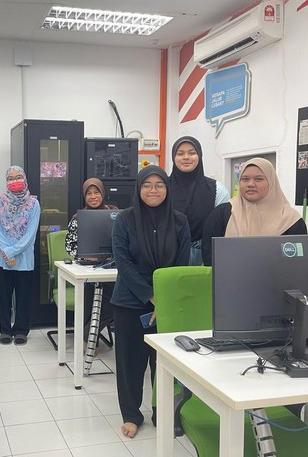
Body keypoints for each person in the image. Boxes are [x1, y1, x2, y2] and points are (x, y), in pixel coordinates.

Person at [111, 165, 190, 438]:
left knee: (164, 363)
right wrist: (151, 296)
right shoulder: (124, 220)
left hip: (167, 304)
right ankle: (132, 415)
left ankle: (163, 411)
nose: (153, 190)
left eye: (159, 185)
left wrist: (165, 300)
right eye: (147, 185)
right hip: (130, 302)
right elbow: (124, 263)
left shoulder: (179, 221)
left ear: (167, 189)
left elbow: (181, 265)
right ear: (138, 189)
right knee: (130, 364)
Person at [202, 157, 307, 266]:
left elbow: (298, 262)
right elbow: (210, 257)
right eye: (245, 179)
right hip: (229, 276)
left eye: (258, 179)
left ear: (271, 182)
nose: (250, 184)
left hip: (278, 276)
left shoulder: (291, 220)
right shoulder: (222, 214)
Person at [65, 178, 116, 354]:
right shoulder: (77, 219)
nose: (93, 196)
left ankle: (86, 337)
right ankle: (90, 340)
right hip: (86, 268)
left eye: (96, 192)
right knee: (87, 302)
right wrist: (88, 256)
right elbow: (69, 246)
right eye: (89, 193)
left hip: (111, 267)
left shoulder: (114, 214)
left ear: (103, 193)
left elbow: (123, 239)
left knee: (113, 303)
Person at [0, 166, 40, 346]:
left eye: (18, 177)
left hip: (24, 259)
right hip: (1, 258)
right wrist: (6, 252)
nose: (14, 181)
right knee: (4, 296)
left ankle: (21, 330)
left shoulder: (33, 204)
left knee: (23, 296)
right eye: (10, 178)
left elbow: (30, 235)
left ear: (25, 179)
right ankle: (5, 330)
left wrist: (12, 252)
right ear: (6, 181)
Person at [169, 136, 229, 265]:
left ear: (200, 156)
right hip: (168, 255)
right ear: (173, 157)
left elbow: (222, 226)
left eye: (192, 153)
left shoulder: (217, 189)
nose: (186, 157)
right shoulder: (162, 188)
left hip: (205, 257)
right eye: (180, 153)